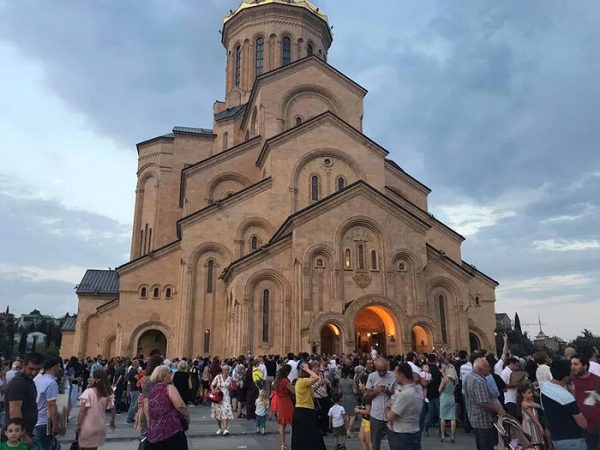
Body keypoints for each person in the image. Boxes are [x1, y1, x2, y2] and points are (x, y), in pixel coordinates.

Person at [541, 359, 587, 450]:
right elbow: (583, 423)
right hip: (573, 441)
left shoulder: (545, 388)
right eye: (572, 372)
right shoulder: (566, 397)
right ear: (566, 378)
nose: (574, 373)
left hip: (557, 439)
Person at [463, 358, 505, 450]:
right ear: (481, 369)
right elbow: (483, 402)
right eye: (487, 367)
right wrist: (498, 410)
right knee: (486, 445)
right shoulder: (479, 381)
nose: (490, 368)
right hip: (484, 420)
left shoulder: (469, 377)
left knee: (480, 444)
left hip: (474, 418)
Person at [145, 365, 189, 450]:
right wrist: (187, 415)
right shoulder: (169, 387)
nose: (172, 374)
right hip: (171, 429)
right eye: (170, 372)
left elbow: (146, 405)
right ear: (164, 375)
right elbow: (179, 405)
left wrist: (149, 421)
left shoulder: (151, 390)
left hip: (154, 432)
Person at [6, 353, 44, 443]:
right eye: (31, 369)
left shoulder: (28, 380)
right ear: (24, 365)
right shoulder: (19, 382)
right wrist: (22, 435)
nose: (34, 372)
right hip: (16, 437)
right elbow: (15, 412)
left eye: (37, 369)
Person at [385, 362, 423, 450]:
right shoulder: (417, 390)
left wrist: (388, 406)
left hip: (403, 435)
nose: (395, 377)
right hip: (414, 431)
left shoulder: (405, 394)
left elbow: (390, 416)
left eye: (396, 374)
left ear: (402, 375)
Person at [76, 368, 116, 450]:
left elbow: (82, 411)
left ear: (95, 379)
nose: (90, 379)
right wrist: (112, 420)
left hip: (87, 426)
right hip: (99, 426)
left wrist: (78, 425)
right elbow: (113, 408)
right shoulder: (108, 393)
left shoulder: (88, 392)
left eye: (92, 377)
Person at [291, 362, 326, 450]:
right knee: (311, 434)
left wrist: (318, 385)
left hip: (304, 410)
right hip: (304, 411)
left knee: (306, 435)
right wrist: (307, 369)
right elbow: (316, 378)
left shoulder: (303, 383)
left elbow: (312, 391)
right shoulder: (303, 381)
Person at [364, 357, 396, 450]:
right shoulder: (372, 377)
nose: (382, 373)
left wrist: (388, 391)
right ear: (375, 368)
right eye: (379, 370)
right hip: (376, 414)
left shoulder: (393, 376)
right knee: (375, 443)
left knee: (394, 443)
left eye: (384, 370)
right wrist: (376, 391)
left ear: (387, 367)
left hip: (390, 414)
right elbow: (367, 397)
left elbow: (398, 395)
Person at [571, 354, 600, 450]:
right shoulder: (571, 383)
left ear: (585, 366)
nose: (573, 367)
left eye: (576, 364)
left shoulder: (597, 380)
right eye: (571, 364)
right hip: (583, 428)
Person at [33, 357, 61, 450]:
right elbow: (51, 405)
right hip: (45, 421)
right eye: (59, 367)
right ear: (55, 367)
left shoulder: (38, 379)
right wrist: (55, 424)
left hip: (36, 418)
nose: (60, 369)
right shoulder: (51, 383)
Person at [517, 382, 546, 449]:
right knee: (534, 443)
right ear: (523, 394)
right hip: (530, 426)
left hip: (534, 425)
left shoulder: (530, 401)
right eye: (529, 393)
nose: (531, 394)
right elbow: (533, 417)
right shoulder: (525, 404)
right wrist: (540, 426)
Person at [274, 364, 294, 449]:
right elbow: (293, 391)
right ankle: (294, 442)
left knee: (282, 425)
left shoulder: (277, 381)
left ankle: (283, 444)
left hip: (280, 403)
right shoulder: (286, 381)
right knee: (292, 423)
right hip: (287, 402)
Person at [210, 365, 234, 436]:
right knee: (218, 414)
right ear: (222, 370)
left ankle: (226, 429)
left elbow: (231, 388)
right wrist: (213, 390)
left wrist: (231, 387)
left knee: (225, 411)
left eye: (227, 370)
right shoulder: (218, 377)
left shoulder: (230, 378)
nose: (226, 371)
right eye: (225, 370)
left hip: (226, 397)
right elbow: (212, 385)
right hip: (218, 397)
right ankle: (219, 428)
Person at [423, 354, 442, 436]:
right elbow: (440, 381)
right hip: (437, 393)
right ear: (435, 360)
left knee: (430, 412)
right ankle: (442, 430)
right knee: (440, 412)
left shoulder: (426, 370)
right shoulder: (437, 370)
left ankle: (426, 427)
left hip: (428, 393)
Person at [439, 363, 458, 443]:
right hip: (452, 398)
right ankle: (452, 436)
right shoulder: (455, 379)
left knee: (443, 417)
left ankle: (443, 435)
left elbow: (439, 389)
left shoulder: (445, 379)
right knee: (452, 418)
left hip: (444, 398)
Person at [354, 373, 372, 450]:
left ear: (364, 384)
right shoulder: (365, 395)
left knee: (369, 441)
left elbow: (368, 411)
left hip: (368, 421)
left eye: (360, 383)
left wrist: (359, 410)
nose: (359, 384)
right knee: (362, 438)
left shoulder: (367, 396)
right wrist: (361, 407)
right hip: (365, 421)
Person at [126, 359, 141, 424]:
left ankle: (131, 417)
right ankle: (129, 418)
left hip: (133, 388)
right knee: (133, 404)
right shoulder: (133, 371)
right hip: (135, 389)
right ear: (135, 364)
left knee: (133, 404)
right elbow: (137, 378)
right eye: (138, 364)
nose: (139, 365)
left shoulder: (132, 370)